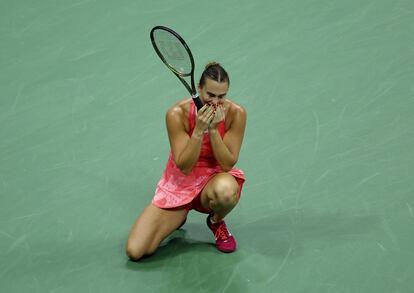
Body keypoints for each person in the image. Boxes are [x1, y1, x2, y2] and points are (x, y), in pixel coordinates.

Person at [126, 62, 246, 261]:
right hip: (180, 184)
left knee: (226, 191)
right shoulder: (176, 114)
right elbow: (184, 166)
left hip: (213, 182)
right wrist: (199, 130)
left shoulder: (236, 114)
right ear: (199, 89)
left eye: (221, 96)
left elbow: (227, 164)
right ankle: (179, 216)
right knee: (136, 251)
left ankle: (216, 222)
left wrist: (214, 130)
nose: (215, 102)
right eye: (210, 95)